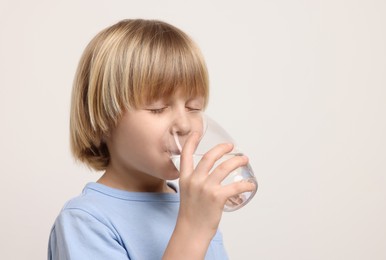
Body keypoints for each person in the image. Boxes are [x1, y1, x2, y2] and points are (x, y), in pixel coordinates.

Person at [48, 19, 256, 260]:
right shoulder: (86, 221)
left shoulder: (191, 204)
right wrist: (193, 229)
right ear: (103, 120)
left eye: (193, 107)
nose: (184, 124)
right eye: (157, 108)